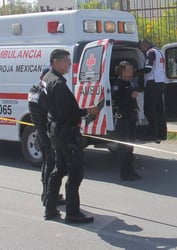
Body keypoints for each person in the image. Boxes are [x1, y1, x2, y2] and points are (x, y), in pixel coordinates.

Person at [43, 49, 99, 223]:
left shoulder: (47, 79)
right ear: (56, 62)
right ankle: (72, 213)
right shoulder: (57, 84)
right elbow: (67, 112)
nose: (69, 64)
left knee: (58, 169)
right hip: (66, 133)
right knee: (75, 172)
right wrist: (87, 111)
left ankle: (50, 207)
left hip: (56, 131)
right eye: (67, 61)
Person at [28, 67, 64, 206]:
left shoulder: (33, 91)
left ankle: (48, 193)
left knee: (46, 163)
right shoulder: (45, 92)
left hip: (39, 131)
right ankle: (49, 195)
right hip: (46, 133)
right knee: (50, 164)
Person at [112, 61, 141, 181]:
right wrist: (131, 96)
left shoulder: (129, 82)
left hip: (131, 117)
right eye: (129, 70)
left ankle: (131, 170)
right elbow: (117, 102)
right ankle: (124, 173)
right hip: (123, 118)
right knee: (124, 147)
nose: (131, 72)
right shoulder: (118, 85)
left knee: (130, 146)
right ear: (122, 72)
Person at [137, 39, 167, 142]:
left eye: (141, 48)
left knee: (149, 110)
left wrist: (136, 71)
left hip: (152, 83)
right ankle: (162, 134)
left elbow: (148, 68)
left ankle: (152, 134)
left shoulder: (151, 52)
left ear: (144, 45)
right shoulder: (160, 52)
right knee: (159, 111)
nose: (142, 51)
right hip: (161, 83)